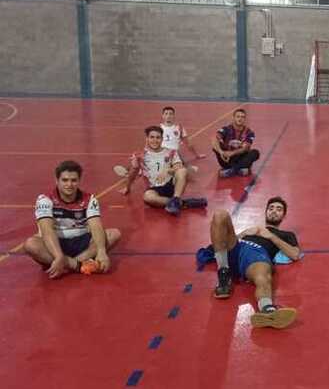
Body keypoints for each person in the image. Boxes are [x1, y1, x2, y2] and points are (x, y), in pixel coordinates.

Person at [209, 197, 301, 329]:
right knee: (220, 215)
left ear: (284, 215)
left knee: (263, 276)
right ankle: (224, 273)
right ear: (266, 212)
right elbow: (221, 240)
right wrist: (243, 233)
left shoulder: (287, 234)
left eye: (279, 209)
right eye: (271, 208)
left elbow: (295, 254)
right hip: (239, 246)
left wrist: (270, 236)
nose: (274, 211)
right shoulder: (251, 230)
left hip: (257, 255)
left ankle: (267, 310)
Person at [23, 160, 121, 278]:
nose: (69, 184)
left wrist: (101, 251)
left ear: (79, 181)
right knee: (31, 244)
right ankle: (78, 265)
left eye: (73, 180)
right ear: (57, 180)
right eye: (65, 180)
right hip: (56, 243)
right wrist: (58, 255)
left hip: (82, 241)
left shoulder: (90, 199)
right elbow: (47, 230)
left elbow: (96, 225)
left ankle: (65, 265)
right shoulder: (45, 199)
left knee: (114, 234)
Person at [120, 126, 207, 215]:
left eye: (158, 137)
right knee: (147, 197)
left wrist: (168, 170)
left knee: (182, 171)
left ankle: (176, 198)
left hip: (171, 185)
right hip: (154, 189)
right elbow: (133, 174)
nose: (155, 140)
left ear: (162, 139)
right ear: (147, 139)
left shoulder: (171, 152)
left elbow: (179, 166)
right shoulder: (140, 155)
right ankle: (183, 203)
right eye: (152, 137)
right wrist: (128, 186)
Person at [212, 108, 260, 177]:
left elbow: (245, 148)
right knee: (216, 146)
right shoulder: (226, 129)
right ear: (233, 118)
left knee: (255, 152)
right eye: (238, 116)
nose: (240, 119)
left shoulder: (249, 132)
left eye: (242, 117)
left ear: (245, 119)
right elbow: (214, 139)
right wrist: (221, 152)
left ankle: (232, 171)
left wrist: (232, 153)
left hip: (240, 158)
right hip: (227, 159)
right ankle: (240, 169)